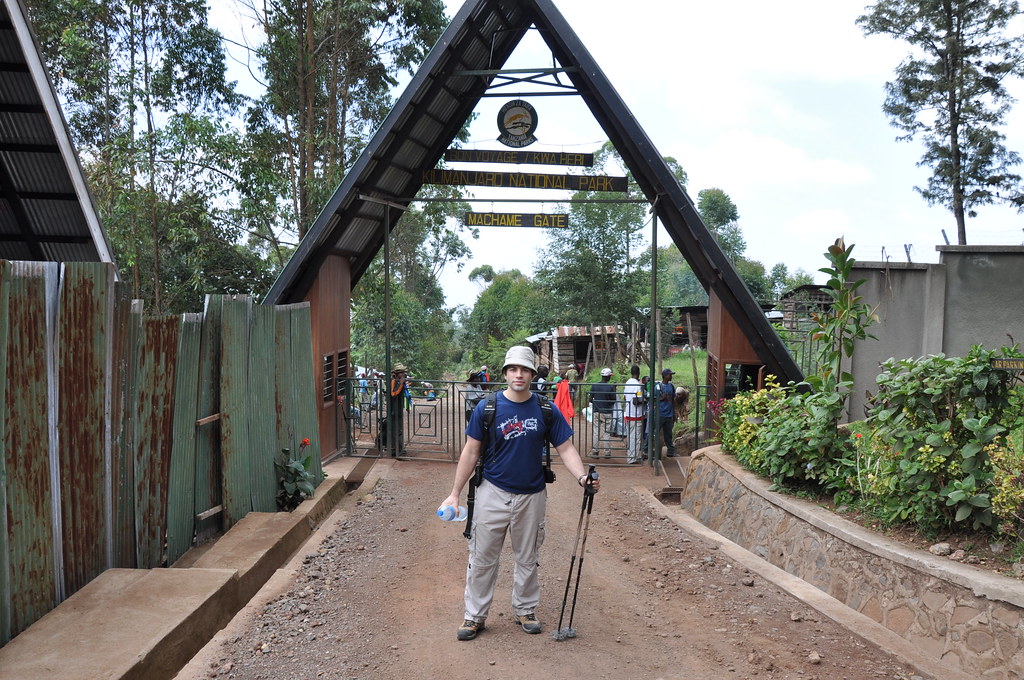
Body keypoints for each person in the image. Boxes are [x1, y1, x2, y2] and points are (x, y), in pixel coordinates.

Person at [439, 345, 599, 642]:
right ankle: (474, 616)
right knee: (482, 556)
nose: (518, 374)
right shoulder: (487, 408)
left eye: (524, 369)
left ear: (532, 374)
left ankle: (525, 609)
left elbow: (565, 448)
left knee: (528, 556)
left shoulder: (546, 409)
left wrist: (581, 477)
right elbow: (471, 451)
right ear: (505, 373)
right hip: (492, 491)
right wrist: (454, 493)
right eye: (513, 369)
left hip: (532, 495)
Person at [588, 367, 616, 459]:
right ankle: (607, 452)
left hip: (597, 411)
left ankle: (595, 451)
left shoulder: (594, 385)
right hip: (607, 412)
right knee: (606, 432)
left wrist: (597, 403)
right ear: (607, 377)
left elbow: (590, 399)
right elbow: (613, 400)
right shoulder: (610, 387)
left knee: (596, 431)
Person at [622, 364, 645, 464]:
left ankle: (632, 456)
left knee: (630, 436)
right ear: (638, 373)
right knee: (636, 437)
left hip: (628, 413)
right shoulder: (637, 385)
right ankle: (633, 458)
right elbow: (636, 401)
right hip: (636, 415)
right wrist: (644, 401)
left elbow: (624, 398)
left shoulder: (627, 383)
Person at [654, 368, 677, 458]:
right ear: (665, 376)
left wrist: (674, 413)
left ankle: (670, 451)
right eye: (670, 375)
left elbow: (673, 400)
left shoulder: (671, 386)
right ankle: (651, 451)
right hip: (660, 413)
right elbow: (654, 399)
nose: (671, 376)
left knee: (668, 434)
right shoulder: (658, 386)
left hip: (669, 413)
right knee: (656, 432)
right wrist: (661, 398)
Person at [387, 362, 409, 455]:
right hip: (394, 410)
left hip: (399, 408)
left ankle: (399, 448)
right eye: (401, 373)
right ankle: (395, 449)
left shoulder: (399, 381)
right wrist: (400, 384)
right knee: (395, 430)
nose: (402, 374)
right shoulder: (393, 381)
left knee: (399, 429)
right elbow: (393, 394)